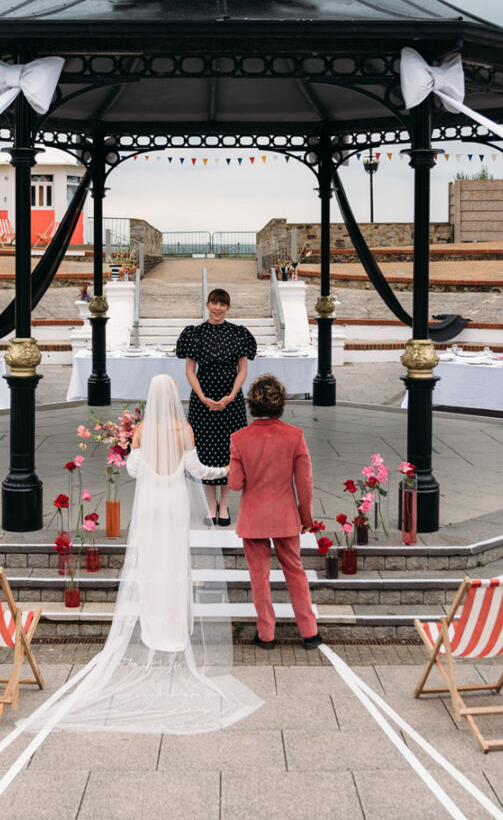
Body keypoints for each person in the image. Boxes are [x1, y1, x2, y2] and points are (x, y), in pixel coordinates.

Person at [34, 374, 262, 735]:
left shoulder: (140, 431)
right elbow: (198, 471)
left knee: (153, 562)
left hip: (151, 504)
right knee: (176, 563)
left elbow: (134, 470)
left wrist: (132, 451)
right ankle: (176, 627)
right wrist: (231, 470)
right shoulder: (184, 430)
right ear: (173, 396)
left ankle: (153, 625)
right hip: (173, 503)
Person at [227, 374, 322, 650]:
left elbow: (235, 485)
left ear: (251, 405)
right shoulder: (295, 436)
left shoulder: (239, 438)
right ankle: (309, 631)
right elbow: (304, 483)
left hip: (253, 518)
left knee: (259, 577)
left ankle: (266, 634)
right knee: (295, 572)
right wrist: (307, 519)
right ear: (281, 403)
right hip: (285, 516)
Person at [176, 287, 256, 525]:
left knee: (229, 453)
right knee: (205, 452)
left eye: (223, 304)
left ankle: (225, 504)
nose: (218, 308)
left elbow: (243, 369)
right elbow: (190, 370)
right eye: (214, 303)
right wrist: (201, 397)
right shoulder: (195, 334)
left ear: (228, 307)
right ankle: (211, 504)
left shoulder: (238, 334)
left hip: (231, 402)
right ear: (208, 305)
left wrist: (231, 396)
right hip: (204, 402)